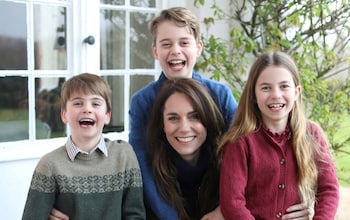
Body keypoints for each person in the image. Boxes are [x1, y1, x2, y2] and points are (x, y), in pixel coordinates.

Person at [128, 7, 237, 220]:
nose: (175, 50)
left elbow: (240, 156)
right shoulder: (143, 102)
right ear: (155, 51)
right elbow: (142, 166)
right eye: (166, 44)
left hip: (215, 201)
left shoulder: (221, 95)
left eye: (184, 42)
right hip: (162, 203)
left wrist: (225, 208)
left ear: (198, 48)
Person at [218, 51, 339, 219]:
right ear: (253, 94)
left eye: (284, 86)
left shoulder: (311, 134)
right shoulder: (240, 142)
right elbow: (232, 202)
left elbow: (329, 189)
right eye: (266, 87)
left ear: (296, 92)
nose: (276, 95)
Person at [22, 73, 145, 220]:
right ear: (64, 114)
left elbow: (135, 215)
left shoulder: (124, 155)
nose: (87, 109)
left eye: (96, 103)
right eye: (78, 103)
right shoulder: (49, 165)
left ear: (107, 116)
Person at [146, 78, 226, 219]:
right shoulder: (148, 175)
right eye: (173, 118)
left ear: (207, 119)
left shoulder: (226, 165)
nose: (184, 128)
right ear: (162, 125)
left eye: (194, 116)